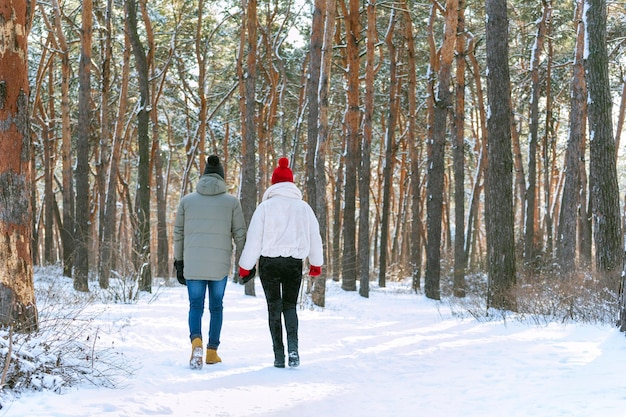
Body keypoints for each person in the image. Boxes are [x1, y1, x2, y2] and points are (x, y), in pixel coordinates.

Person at [238, 157, 323, 368]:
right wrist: (315, 264)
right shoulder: (304, 208)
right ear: (291, 184)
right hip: (294, 263)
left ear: (274, 184)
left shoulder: (265, 207)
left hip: (269, 264)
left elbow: (254, 239)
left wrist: (245, 266)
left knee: (273, 308)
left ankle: (279, 356)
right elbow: (314, 236)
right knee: (290, 307)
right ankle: (294, 349)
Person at [173, 155, 247, 370]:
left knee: (195, 305)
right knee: (216, 307)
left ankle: (196, 341)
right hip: (219, 266)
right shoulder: (232, 202)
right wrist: (246, 263)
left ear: (203, 177)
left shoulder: (187, 201)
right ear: (222, 178)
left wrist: (179, 262)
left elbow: (178, 233)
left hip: (193, 265)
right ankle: (212, 352)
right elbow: (240, 234)